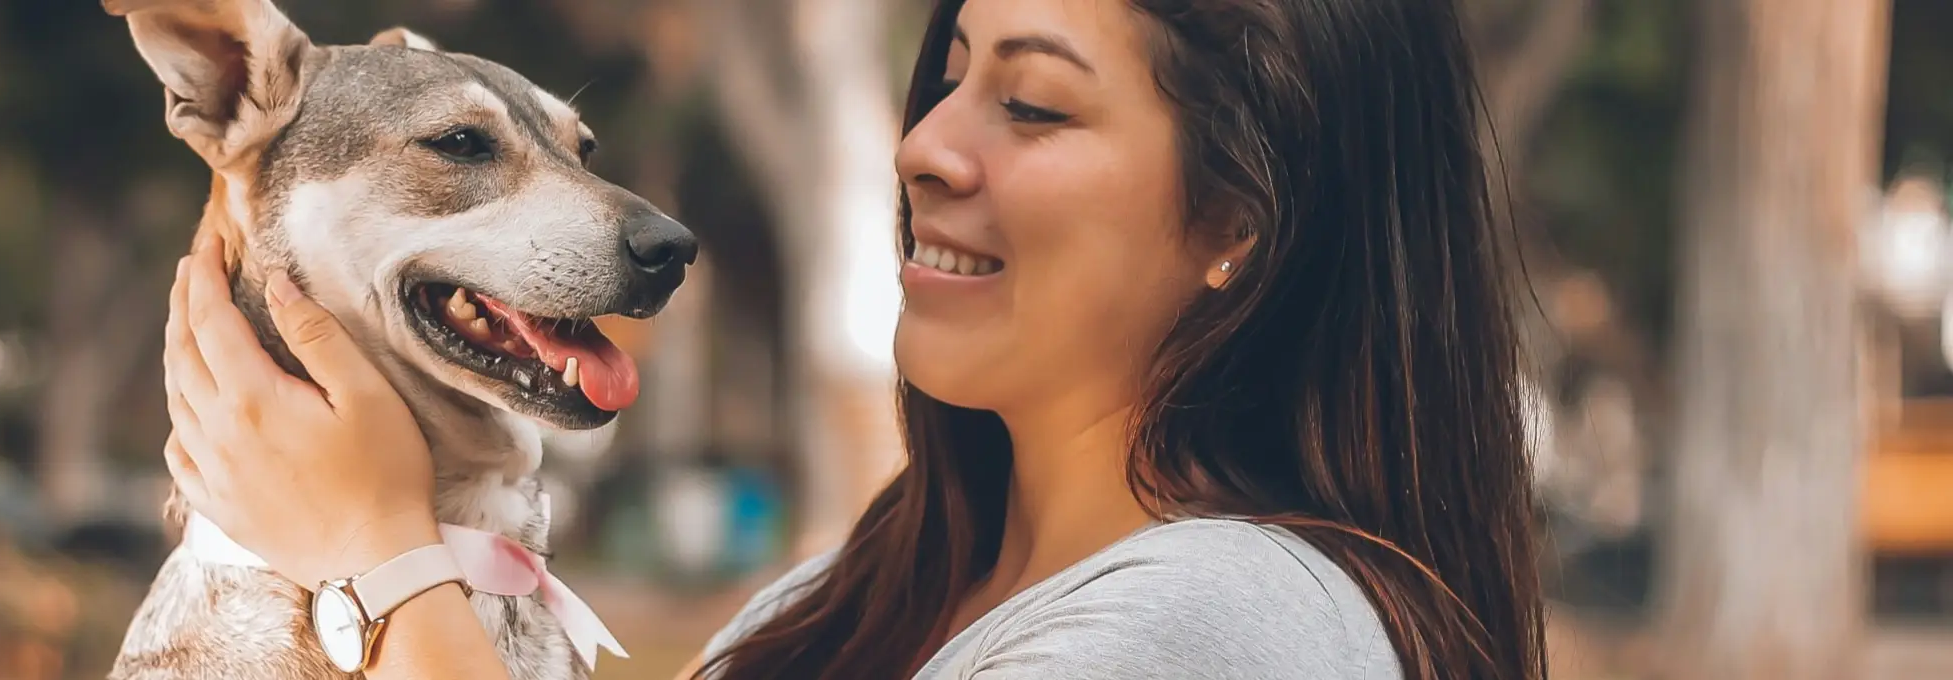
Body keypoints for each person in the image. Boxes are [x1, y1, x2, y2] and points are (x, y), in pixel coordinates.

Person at [155, 0, 1547, 677]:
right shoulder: (829, 607)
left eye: (1034, 106)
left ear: (1236, 222)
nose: (923, 145)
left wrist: (378, 560)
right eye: (948, 77)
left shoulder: (1225, 626)